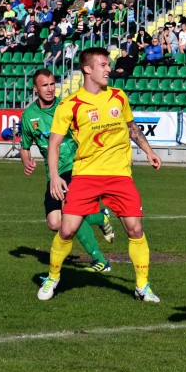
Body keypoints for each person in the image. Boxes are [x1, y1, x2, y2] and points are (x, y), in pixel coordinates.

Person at [39, 47, 163, 302]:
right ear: (87, 69)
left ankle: (142, 286)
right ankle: (53, 278)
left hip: (120, 175)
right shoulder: (69, 105)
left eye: (109, 64)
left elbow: (131, 126)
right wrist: (54, 175)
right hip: (85, 176)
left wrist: (148, 151)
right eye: (104, 65)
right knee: (67, 230)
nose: (109, 69)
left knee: (135, 229)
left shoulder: (119, 96)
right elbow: (54, 142)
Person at [20, 69, 115, 275]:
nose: (50, 88)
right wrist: (26, 161)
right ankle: (99, 217)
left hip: (75, 168)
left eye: (52, 84)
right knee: (55, 222)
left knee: (69, 213)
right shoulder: (29, 116)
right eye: (44, 85)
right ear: (35, 89)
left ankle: (99, 259)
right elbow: (25, 146)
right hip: (53, 173)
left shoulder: (67, 106)